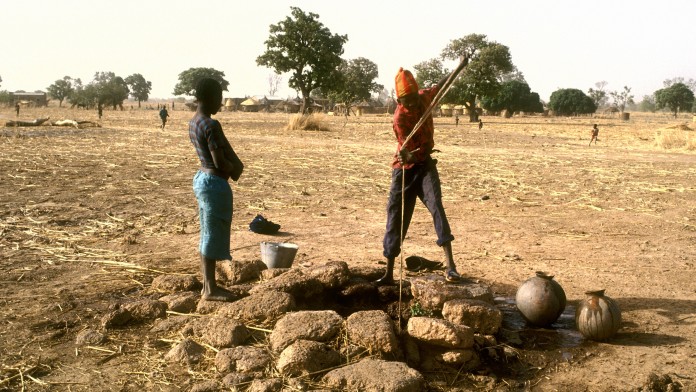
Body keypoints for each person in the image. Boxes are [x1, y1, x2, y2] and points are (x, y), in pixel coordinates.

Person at [376, 67, 462, 285]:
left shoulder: (424, 98)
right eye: (407, 100)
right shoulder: (399, 119)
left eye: (414, 98)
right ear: (399, 100)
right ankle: (388, 273)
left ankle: (451, 266)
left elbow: (440, 86)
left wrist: (459, 67)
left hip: (424, 166)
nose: (413, 103)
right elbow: (408, 152)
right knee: (396, 218)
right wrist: (406, 155)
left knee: (436, 207)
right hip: (403, 171)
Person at [189, 78, 240, 302]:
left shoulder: (194, 121)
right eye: (219, 99)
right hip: (214, 182)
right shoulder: (211, 125)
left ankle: (207, 286)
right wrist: (234, 168)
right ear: (209, 99)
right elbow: (219, 161)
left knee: (206, 233)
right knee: (211, 234)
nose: (220, 104)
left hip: (202, 179)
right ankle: (210, 289)